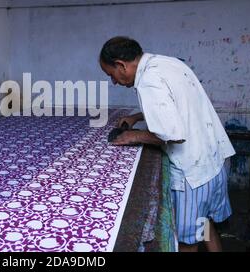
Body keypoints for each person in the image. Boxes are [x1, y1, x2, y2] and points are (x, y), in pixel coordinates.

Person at [99, 36, 235, 252]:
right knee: (205, 223)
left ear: (121, 65)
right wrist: (137, 116)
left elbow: (173, 134)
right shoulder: (167, 63)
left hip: (193, 174)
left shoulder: (148, 81)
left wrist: (134, 136)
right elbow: (177, 104)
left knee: (186, 241)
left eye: (111, 74)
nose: (113, 81)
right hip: (213, 162)